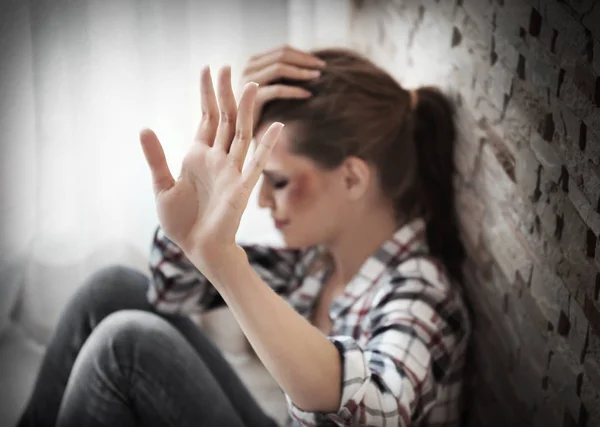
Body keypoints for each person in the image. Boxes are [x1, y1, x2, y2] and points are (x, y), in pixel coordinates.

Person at [17, 45, 471, 427]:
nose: (262, 202)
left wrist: (224, 260)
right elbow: (172, 293)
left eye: (277, 181)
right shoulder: (316, 262)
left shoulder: (421, 292)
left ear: (352, 179)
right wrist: (193, 231)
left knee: (122, 345)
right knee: (111, 288)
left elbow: (379, 412)